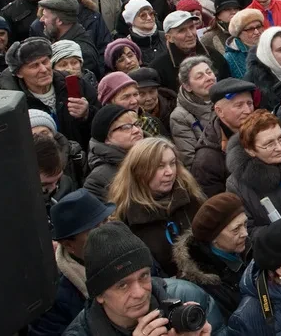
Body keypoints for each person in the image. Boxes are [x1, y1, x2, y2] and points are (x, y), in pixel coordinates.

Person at [61, 220, 221, 336]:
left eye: (144, 276)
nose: (139, 293)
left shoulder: (186, 296)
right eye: (122, 285)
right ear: (100, 295)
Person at [109, 136, 206, 277]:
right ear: (139, 171)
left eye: (172, 163)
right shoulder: (125, 218)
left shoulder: (191, 196)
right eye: (160, 166)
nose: (170, 172)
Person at [29, 189, 116, 336]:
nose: (106, 233)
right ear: (69, 245)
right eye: (94, 230)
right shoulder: (52, 299)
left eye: (105, 221)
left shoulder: (130, 252)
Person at [0, 38, 93, 148]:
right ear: (19, 73)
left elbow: (100, 126)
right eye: (34, 65)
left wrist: (87, 114)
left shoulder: (76, 84)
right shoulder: (14, 104)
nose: (43, 69)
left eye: (45, 62)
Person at [172, 192, 250, 317]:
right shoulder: (204, 284)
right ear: (214, 238)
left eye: (245, 224)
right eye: (236, 229)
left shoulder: (251, 250)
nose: (245, 233)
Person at [191, 78, 256, 197]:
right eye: (239, 105)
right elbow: (220, 207)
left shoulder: (263, 132)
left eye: (249, 103)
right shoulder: (207, 160)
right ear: (219, 111)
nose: (248, 111)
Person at [151, 10, 231, 92]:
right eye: (182, 30)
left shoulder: (213, 55)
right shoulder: (159, 68)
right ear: (169, 38)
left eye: (191, 27)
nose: (190, 34)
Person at [83, 104, 144, 200]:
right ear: (107, 138)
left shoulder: (156, 154)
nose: (136, 130)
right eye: (126, 127)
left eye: (137, 124)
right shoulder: (98, 179)